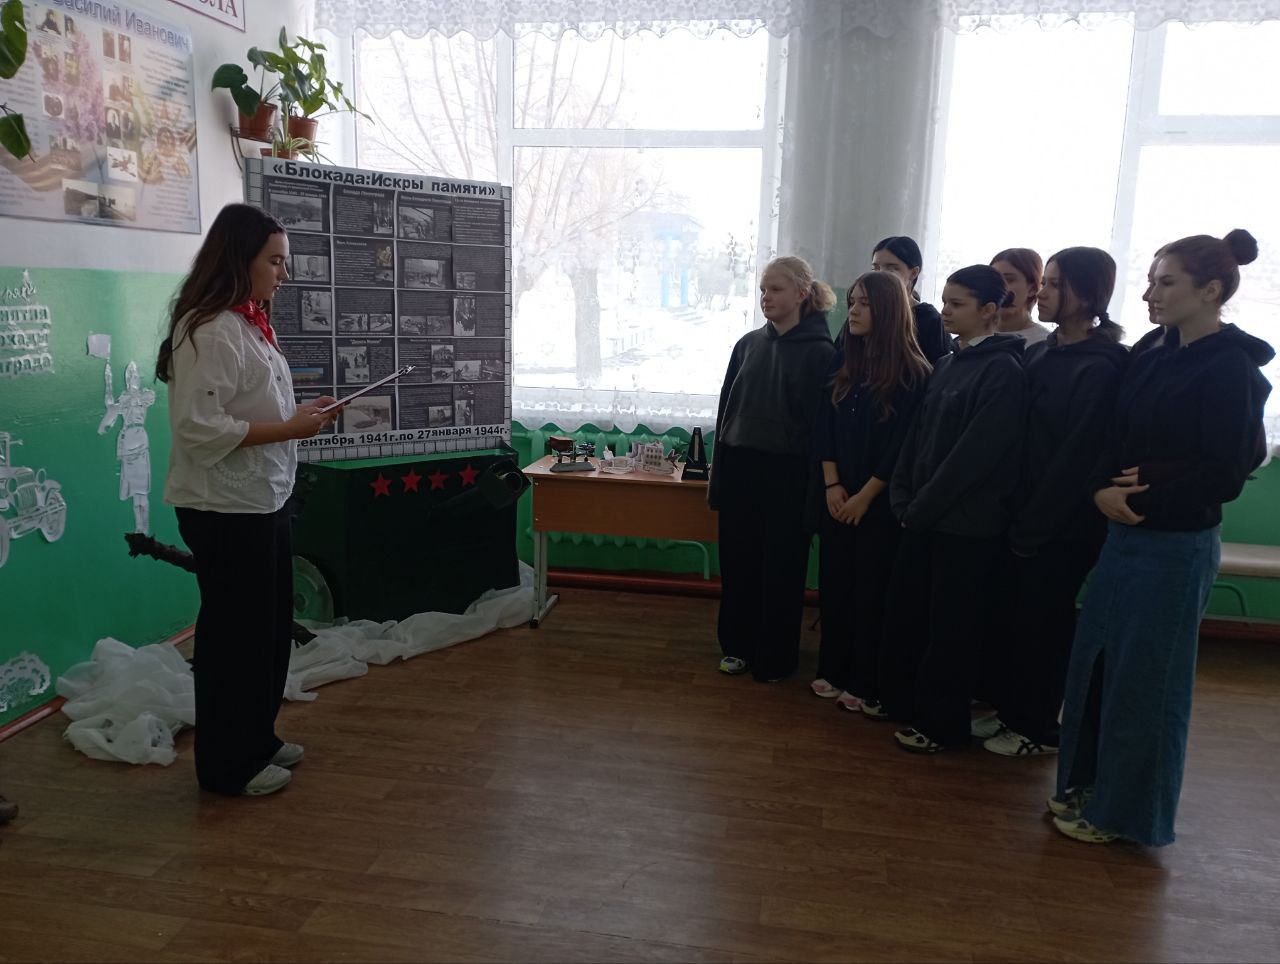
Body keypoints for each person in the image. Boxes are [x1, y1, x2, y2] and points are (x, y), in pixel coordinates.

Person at [1053, 229, 1273, 845]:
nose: (1151, 293)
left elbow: (1225, 473)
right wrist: (1100, 489)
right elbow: (1112, 436)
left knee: (1148, 685)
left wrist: (1144, 493)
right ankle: (1087, 785)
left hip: (1176, 548)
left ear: (1211, 290)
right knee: (1097, 668)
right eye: (1150, 281)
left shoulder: (1231, 367)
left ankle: (1125, 817)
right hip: (1123, 538)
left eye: (1166, 282)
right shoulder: (1153, 348)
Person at [156, 203, 339, 797]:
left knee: (266, 629)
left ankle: (257, 738)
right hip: (222, 509)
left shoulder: (248, 320)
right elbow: (199, 428)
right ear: (240, 260)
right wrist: (289, 428)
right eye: (275, 261)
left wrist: (299, 415)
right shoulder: (210, 329)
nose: (284, 274)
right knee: (234, 639)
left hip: (262, 499)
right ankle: (227, 766)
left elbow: (250, 403)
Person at [977, 247, 1128, 757]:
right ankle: (1010, 712)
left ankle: (1035, 727)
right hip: (1020, 513)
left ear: (1087, 294)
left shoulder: (1102, 366)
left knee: (1045, 624)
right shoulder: (1041, 352)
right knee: (1015, 621)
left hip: (1062, 524)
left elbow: (1076, 458)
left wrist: (1033, 526)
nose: (1043, 292)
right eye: (1047, 282)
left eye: (1057, 284)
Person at [873, 265, 1026, 752]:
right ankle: (904, 702)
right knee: (909, 616)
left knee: (951, 631)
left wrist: (920, 508)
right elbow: (916, 439)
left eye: (957, 304)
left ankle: (941, 725)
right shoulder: (946, 364)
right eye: (944, 301)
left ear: (990, 310)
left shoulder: (1004, 371)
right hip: (922, 516)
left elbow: (974, 458)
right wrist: (902, 496)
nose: (945, 312)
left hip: (965, 527)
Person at [709, 256, 836, 682]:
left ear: (801, 293)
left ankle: (775, 656)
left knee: (781, 569)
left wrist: (814, 497)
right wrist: (718, 479)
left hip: (788, 476)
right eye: (763, 289)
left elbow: (821, 431)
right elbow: (726, 413)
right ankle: (737, 646)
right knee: (738, 563)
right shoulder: (747, 345)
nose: (766, 297)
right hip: (741, 469)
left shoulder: (821, 353)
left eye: (776, 289)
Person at [811, 272, 931, 709]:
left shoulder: (914, 372)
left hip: (877, 503)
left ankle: (863, 681)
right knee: (836, 586)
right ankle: (833, 668)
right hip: (837, 495)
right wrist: (832, 484)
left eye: (864, 303)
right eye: (853, 302)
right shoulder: (842, 360)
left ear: (888, 309)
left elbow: (903, 447)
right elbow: (823, 426)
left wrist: (865, 496)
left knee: (870, 593)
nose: (854, 311)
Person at [870, 236, 950, 364]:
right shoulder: (866, 311)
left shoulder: (929, 319)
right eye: (875, 268)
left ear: (913, 273)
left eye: (891, 268)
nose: (881, 275)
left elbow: (938, 369)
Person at [991, 247, 1051, 345]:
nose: (999, 287)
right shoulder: (973, 336)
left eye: (1010, 280)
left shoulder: (1044, 343)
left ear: (1032, 289)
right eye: (994, 280)